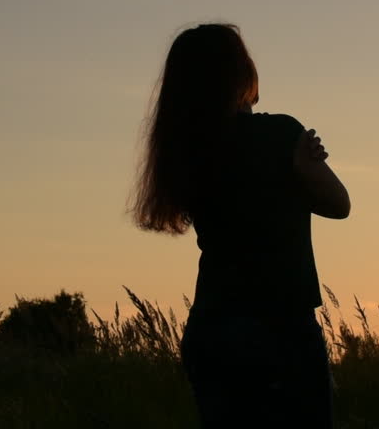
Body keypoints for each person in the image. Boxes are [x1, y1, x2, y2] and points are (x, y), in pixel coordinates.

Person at [129, 23, 350, 428]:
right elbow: (340, 205)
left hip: (214, 331)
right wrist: (305, 168)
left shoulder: (186, 152)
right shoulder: (281, 134)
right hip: (280, 329)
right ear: (240, 72)